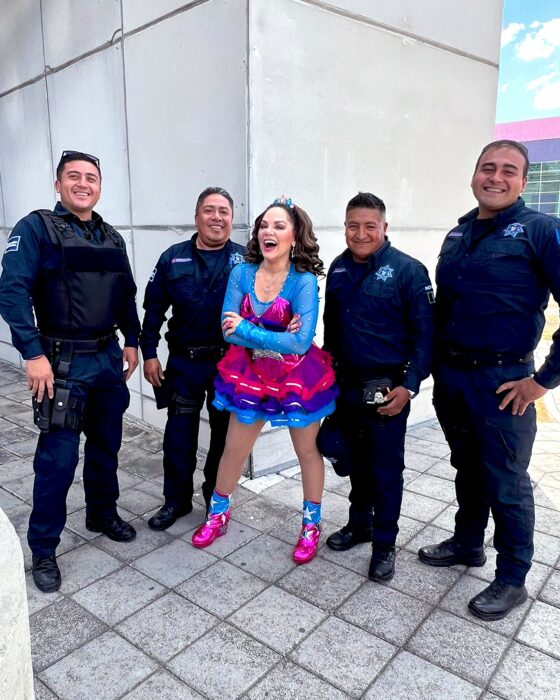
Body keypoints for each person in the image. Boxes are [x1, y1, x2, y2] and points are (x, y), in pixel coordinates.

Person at [418, 140, 560, 620]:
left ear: (523, 181)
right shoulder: (458, 235)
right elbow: (444, 308)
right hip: (453, 376)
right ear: (475, 174)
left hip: (504, 380)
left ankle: (513, 577)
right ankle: (467, 542)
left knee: (507, 481)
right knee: (468, 467)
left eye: (508, 170)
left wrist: (542, 382)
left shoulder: (541, 231)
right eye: (487, 168)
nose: (495, 177)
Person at [0, 150, 140, 592]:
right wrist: (32, 352)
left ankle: (101, 513)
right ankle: (43, 549)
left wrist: (133, 340)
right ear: (58, 185)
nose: (83, 183)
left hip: (105, 360)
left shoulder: (111, 237)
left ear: (100, 186)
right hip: (60, 363)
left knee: (106, 447)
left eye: (91, 177)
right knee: (57, 461)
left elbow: (125, 294)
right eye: (74, 177)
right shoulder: (36, 227)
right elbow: (12, 291)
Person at [190, 197, 337, 564]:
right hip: (249, 375)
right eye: (264, 225)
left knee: (307, 452)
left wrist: (249, 329)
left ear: (294, 235)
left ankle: (311, 526)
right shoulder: (242, 272)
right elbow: (227, 332)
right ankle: (218, 514)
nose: (269, 232)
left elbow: (300, 343)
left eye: (279, 226)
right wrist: (271, 336)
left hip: (296, 378)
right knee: (233, 449)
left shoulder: (303, 281)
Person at [323, 192, 434, 581]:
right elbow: (332, 332)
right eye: (353, 225)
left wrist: (410, 386)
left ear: (384, 228)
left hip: (387, 386)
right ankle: (360, 524)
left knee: (386, 468)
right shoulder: (337, 269)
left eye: (370, 226)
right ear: (345, 227)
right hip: (346, 384)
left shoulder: (408, 271)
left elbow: (425, 338)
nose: (361, 233)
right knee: (347, 455)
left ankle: (384, 544)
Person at [140, 187, 246, 530]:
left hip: (228, 366)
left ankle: (216, 501)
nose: (217, 218)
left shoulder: (246, 261)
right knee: (179, 435)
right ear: (197, 216)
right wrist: (150, 354)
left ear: (231, 219)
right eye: (210, 210)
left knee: (223, 439)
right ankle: (176, 502)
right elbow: (154, 310)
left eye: (224, 212)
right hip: (184, 365)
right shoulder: (173, 257)